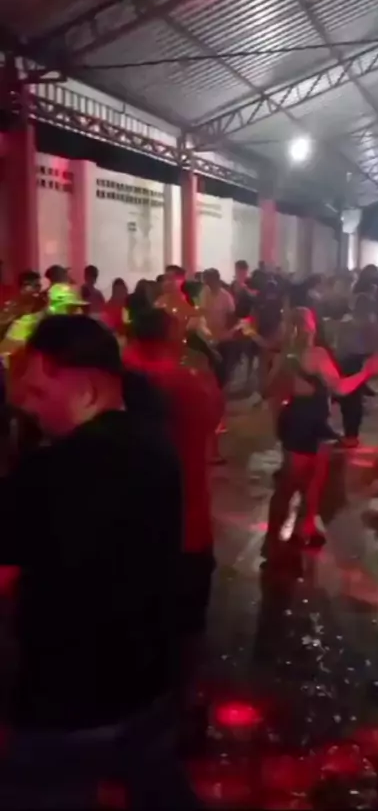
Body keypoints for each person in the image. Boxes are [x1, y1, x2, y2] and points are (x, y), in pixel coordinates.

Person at [0, 314, 196, 807]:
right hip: (148, 683)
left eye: (39, 392)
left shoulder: (53, 472)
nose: (27, 405)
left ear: (87, 390)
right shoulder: (156, 443)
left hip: (65, 704)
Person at [123, 309, 223, 650]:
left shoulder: (117, 374)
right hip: (184, 520)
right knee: (184, 631)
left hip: (130, 521)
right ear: (171, 336)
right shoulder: (186, 381)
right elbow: (212, 418)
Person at [263, 307, 378, 561]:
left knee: (292, 484)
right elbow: (340, 388)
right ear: (311, 327)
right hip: (312, 422)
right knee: (309, 481)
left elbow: (269, 389)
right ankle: (299, 530)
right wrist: (366, 372)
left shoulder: (283, 355)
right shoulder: (316, 354)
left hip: (295, 420)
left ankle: (280, 535)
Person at [334, 293, 378, 447]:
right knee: (353, 401)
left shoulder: (346, 324)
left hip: (348, 363)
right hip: (362, 362)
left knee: (349, 401)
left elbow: (339, 347)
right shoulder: (373, 326)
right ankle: (351, 434)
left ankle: (350, 435)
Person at [200, 268, 236, 388]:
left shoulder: (226, 297)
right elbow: (201, 311)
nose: (207, 284)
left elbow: (231, 317)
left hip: (224, 337)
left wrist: (223, 331)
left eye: (209, 281)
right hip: (208, 337)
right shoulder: (204, 293)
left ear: (216, 280)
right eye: (206, 281)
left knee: (222, 367)